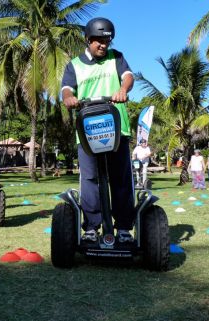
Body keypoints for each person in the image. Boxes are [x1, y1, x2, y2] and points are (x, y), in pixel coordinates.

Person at [61, 17, 135, 243]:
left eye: (107, 40)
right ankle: (92, 227)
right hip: (87, 131)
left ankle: (123, 227)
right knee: (90, 179)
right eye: (98, 41)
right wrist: (69, 98)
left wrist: (123, 89)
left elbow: (128, 77)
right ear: (88, 39)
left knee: (120, 179)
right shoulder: (74, 64)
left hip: (117, 128)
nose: (103, 44)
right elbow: (65, 89)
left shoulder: (117, 58)